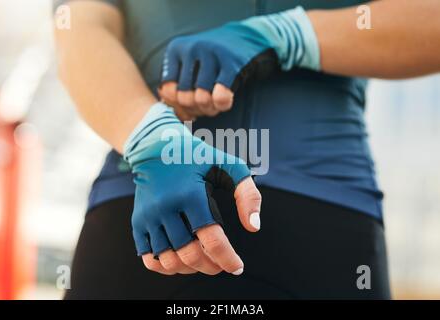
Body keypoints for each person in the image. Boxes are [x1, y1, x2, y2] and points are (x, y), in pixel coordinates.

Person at [54, 0, 440, 299]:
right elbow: (80, 24)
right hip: (150, 201)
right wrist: (151, 135)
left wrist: (287, 33)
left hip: (314, 215)